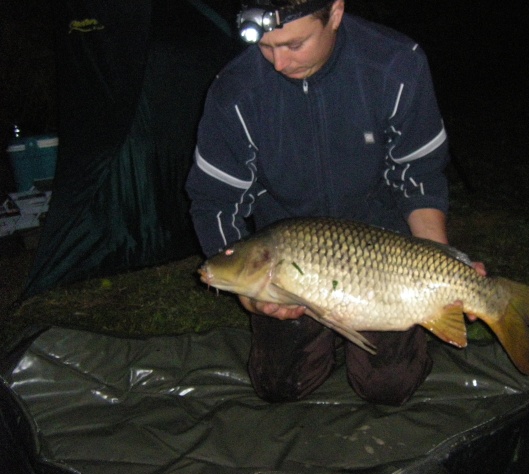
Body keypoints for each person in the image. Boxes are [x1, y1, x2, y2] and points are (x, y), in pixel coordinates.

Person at [186, 0, 483, 406]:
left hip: (386, 258)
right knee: (280, 386)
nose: (278, 63)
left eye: (295, 45)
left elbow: (419, 178)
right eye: (267, 47)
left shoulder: (395, 64)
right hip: (289, 249)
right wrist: (248, 293)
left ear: (336, 13)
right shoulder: (235, 92)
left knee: (388, 387)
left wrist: (443, 264)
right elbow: (215, 199)